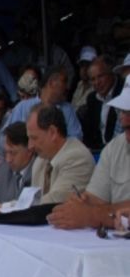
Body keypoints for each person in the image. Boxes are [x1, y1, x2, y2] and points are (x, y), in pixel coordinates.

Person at [48, 80, 130, 229]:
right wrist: (81, 203)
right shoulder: (114, 148)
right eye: (123, 111)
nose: (124, 118)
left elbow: (95, 211)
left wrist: (93, 215)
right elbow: (96, 197)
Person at [27, 104, 94, 204]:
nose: (30, 146)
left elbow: (52, 203)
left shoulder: (78, 158)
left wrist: (6, 208)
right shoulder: (40, 161)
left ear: (53, 132)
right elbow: (32, 202)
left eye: (34, 138)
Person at [7, 65, 83, 140]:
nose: (67, 87)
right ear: (51, 83)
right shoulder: (22, 108)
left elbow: (76, 138)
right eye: (64, 81)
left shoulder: (68, 109)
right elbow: (8, 138)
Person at [81, 56, 123, 151]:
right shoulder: (92, 99)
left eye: (100, 76)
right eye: (93, 79)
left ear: (111, 74)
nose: (97, 82)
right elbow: (90, 131)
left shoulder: (123, 93)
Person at [71, 46, 97, 111]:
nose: (84, 69)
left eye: (88, 65)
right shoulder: (79, 84)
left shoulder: (97, 87)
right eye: (82, 65)